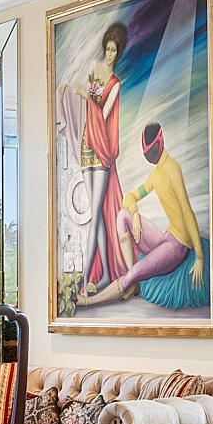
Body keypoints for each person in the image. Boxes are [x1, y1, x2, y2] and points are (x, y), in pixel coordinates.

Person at [75, 123, 205, 310]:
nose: (150, 156)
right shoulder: (156, 175)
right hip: (167, 237)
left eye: (151, 151)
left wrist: (199, 256)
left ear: (161, 142)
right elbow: (130, 197)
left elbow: (187, 211)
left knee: (135, 272)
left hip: (178, 246)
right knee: (123, 216)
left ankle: (89, 301)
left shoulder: (172, 170)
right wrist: (134, 213)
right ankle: (132, 280)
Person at [77, 21, 130, 292]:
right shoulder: (96, 72)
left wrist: (85, 95)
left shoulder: (114, 83)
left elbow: (103, 113)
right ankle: (106, 273)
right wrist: (84, 95)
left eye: (114, 51)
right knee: (94, 214)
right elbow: (89, 103)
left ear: (118, 53)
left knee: (96, 212)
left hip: (101, 148)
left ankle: (86, 277)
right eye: (107, 49)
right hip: (87, 144)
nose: (109, 54)